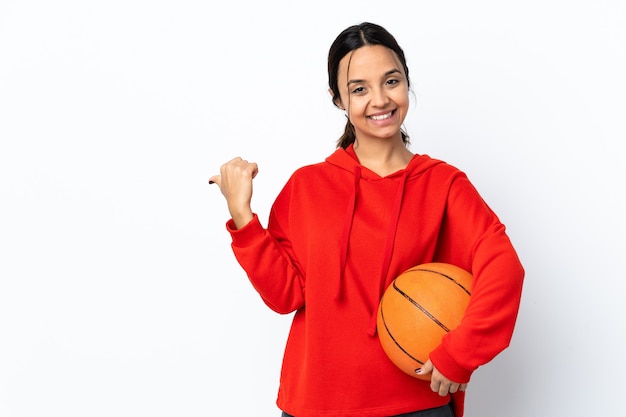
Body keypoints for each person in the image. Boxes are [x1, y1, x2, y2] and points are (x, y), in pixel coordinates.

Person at [208, 22, 524, 417]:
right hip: (315, 405)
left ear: (406, 82)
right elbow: (285, 296)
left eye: (391, 81)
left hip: (416, 406)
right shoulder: (306, 186)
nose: (379, 99)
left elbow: (503, 267)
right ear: (338, 99)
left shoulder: (444, 184)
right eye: (359, 88)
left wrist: (461, 353)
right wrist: (242, 216)